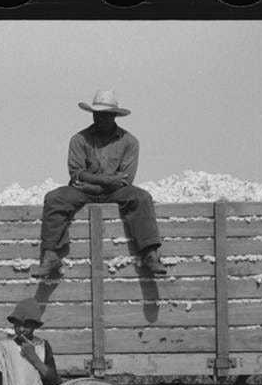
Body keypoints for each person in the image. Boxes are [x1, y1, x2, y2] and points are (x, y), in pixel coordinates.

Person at [33, 89, 166, 278]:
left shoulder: (129, 142)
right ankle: (50, 256)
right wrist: (106, 180)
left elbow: (125, 180)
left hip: (110, 191)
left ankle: (150, 254)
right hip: (84, 191)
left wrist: (91, 184)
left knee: (141, 197)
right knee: (54, 198)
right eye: (97, 114)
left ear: (114, 116)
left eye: (105, 115)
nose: (100, 118)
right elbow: (76, 173)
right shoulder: (79, 139)